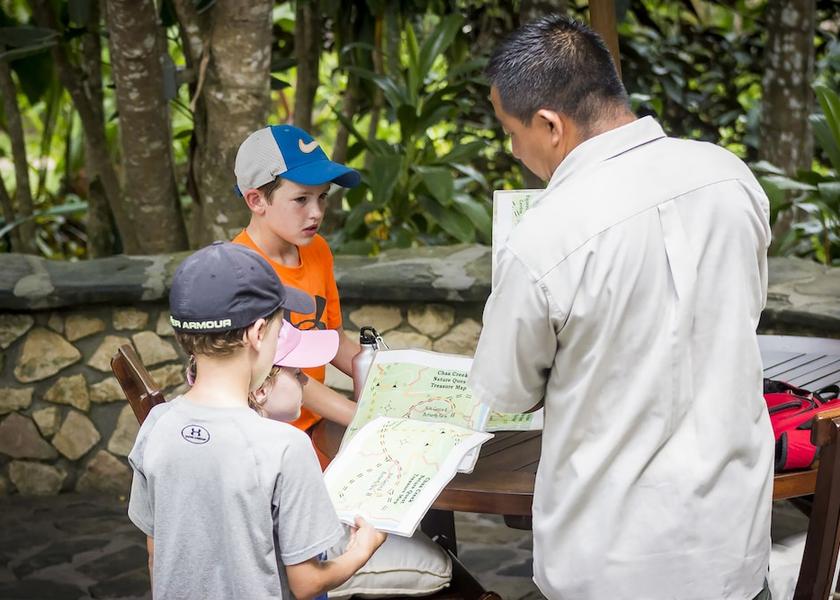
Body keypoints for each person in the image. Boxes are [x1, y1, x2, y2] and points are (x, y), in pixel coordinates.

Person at [468, 15, 774, 600]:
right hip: (732, 549)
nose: (513, 149)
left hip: (610, 563)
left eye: (511, 131)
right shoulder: (728, 177)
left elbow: (506, 391)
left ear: (550, 125)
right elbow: (743, 314)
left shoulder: (546, 236)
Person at [127, 241, 386, 600]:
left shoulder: (156, 425)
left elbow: (157, 554)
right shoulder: (286, 447)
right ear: (257, 334)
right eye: (280, 328)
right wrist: (363, 548)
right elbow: (307, 582)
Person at [232, 124, 361, 444]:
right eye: (301, 199)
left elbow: (336, 341)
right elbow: (281, 375)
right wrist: (361, 417)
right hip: (266, 437)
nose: (316, 213)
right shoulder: (241, 271)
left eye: (322, 198)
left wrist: (397, 383)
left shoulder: (318, 250)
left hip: (314, 425)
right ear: (256, 200)